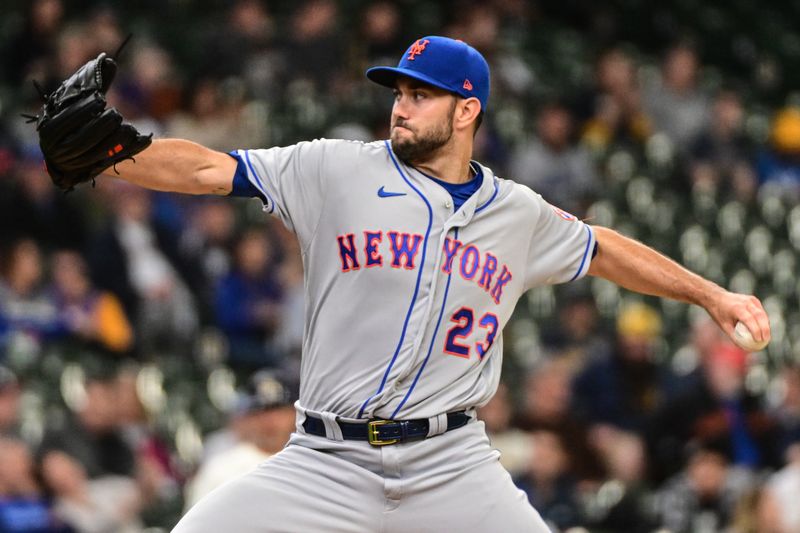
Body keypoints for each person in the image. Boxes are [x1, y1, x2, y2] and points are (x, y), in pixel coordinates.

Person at [50, 36, 769, 533]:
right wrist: (119, 152)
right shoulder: (334, 169)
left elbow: (602, 247)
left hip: (450, 462)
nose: (400, 104)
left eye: (422, 94)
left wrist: (711, 293)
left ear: (467, 110)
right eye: (398, 89)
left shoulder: (516, 213)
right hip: (325, 458)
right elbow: (207, 168)